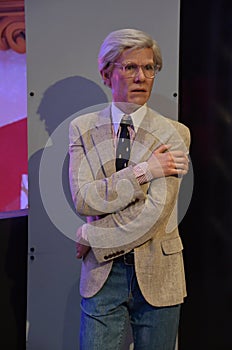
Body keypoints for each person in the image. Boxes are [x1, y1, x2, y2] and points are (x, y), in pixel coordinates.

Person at [69, 28, 190, 350]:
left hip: (159, 271)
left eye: (149, 68)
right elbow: (84, 199)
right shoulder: (82, 129)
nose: (142, 76)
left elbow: (154, 211)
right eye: (130, 67)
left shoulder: (176, 134)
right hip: (103, 275)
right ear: (107, 73)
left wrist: (93, 235)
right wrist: (146, 170)